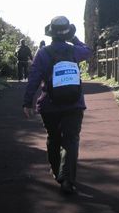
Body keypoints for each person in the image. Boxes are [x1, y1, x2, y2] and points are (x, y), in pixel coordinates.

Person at [23, 16, 92, 194]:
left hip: (50, 104)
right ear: (67, 33)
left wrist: (27, 102)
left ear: (51, 33)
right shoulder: (74, 51)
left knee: (53, 138)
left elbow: (34, 79)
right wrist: (74, 38)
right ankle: (68, 179)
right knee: (71, 140)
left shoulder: (43, 53)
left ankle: (57, 172)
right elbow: (88, 50)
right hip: (74, 103)